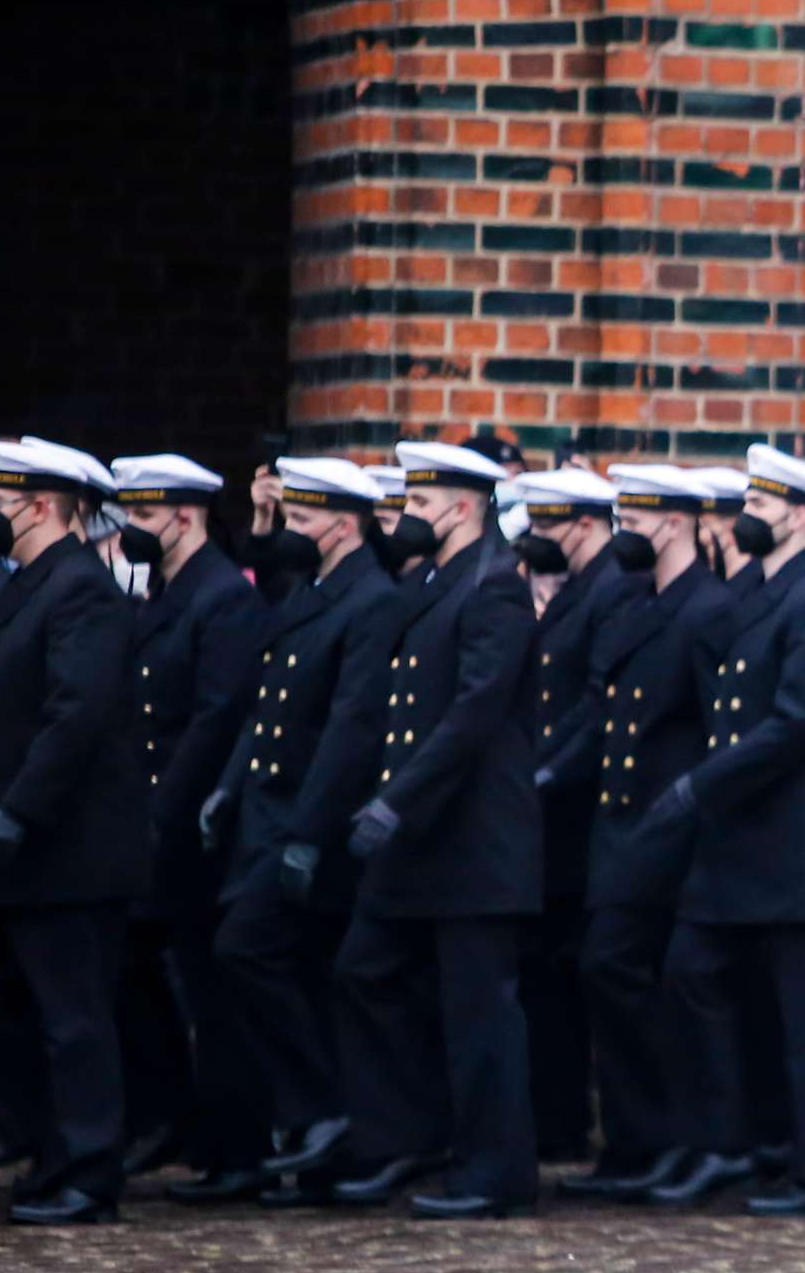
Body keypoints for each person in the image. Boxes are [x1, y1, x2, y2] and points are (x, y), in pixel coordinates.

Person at [323, 441, 544, 1219]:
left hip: (473, 838)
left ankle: (496, 1173)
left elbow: (473, 715)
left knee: (481, 1010)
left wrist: (398, 800)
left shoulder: (494, 588)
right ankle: (405, 1134)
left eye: (420, 505)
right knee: (366, 970)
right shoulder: (439, 582)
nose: (407, 517)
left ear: (462, 507)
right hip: (426, 839)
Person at [652, 445, 805, 1216]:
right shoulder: (760, 594)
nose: (749, 516)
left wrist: (702, 785)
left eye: (766, 506)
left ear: (802, 517)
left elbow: (798, 721)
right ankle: (748, 1140)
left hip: (796, 840)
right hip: (745, 838)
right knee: (697, 972)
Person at [211, 459, 403, 1206]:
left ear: (343, 524)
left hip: (310, 820)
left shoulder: (371, 601)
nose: (291, 533)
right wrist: (230, 787)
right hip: (270, 811)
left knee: (247, 949)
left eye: (301, 520)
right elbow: (272, 700)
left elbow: (352, 728)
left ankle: (320, 1110)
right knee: (293, 968)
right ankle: (318, 1147)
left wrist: (309, 832)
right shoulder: (320, 593)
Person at [554, 465, 737, 1202]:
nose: (624, 529)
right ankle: (638, 1140)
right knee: (612, 972)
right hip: (623, 818)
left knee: (626, 968)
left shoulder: (709, 608)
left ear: (673, 523)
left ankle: (673, 1134)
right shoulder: (640, 601)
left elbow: (721, 726)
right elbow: (605, 707)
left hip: (672, 820)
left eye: (635, 517)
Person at [0, 438, 148, 1224]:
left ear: (42, 506)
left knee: (74, 1018)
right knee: (27, 1014)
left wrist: (18, 809)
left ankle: (89, 1169)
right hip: (29, 855)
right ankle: (52, 1156)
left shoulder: (79, 589)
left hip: (69, 849)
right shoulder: (29, 586)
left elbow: (74, 716)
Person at [109, 454, 265, 1187]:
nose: (134, 530)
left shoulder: (222, 596)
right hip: (151, 813)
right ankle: (174, 1117)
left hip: (191, 822)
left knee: (208, 985)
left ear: (184, 516)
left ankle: (231, 1142)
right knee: (143, 968)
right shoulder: (165, 592)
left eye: (144, 516)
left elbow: (215, 718)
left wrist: (164, 809)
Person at [514, 465, 630, 1163]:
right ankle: (554, 1121)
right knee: (547, 971)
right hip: (555, 813)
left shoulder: (609, 589)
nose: (535, 539)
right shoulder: (584, 589)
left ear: (584, 524)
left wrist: (547, 770)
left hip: (579, 811)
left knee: (569, 971)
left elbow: (596, 704)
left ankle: (572, 1122)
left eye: (547, 525)